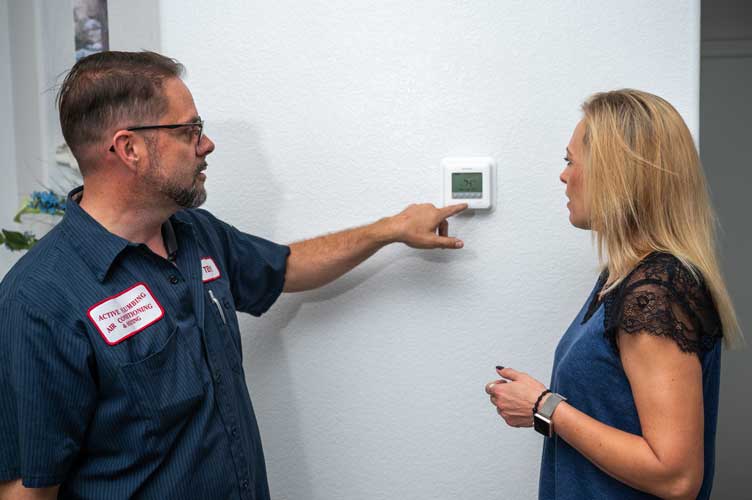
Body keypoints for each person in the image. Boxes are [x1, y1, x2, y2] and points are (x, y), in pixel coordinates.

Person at [0, 51, 467, 500]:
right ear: (129, 148)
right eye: (189, 130)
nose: (206, 144)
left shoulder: (196, 234)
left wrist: (391, 230)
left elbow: (287, 266)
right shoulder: (39, 301)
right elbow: (29, 488)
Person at [485, 89, 742, 499]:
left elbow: (675, 476)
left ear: (614, 173)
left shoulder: (654, 292)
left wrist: (544, 406)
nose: (563, 175)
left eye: (571, 161)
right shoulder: (624, 278)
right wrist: (543, 409)